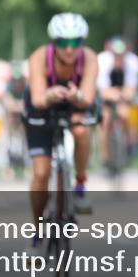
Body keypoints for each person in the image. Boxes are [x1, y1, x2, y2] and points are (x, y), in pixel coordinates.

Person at [24, 13, 99, 247]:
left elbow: (87, 97)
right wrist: (50, 94)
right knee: (41, 173)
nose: (69, 49)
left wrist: (75, 95)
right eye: (63, 43)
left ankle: (80, 184)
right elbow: (37, 98)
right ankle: (36, 234)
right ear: (53, 43)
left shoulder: (89, 58)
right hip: (43, 107)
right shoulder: (39, 58)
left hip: (75, 103)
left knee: (81, 131)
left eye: (75, 42)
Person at [97, 36, 138, 166]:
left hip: (123, 95)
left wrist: (123, 95)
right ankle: (105, 158)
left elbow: (131, 88)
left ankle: (129, 146)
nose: (118, 58)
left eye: (121, 55)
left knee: (126, 114)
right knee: (104, 120)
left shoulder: (132, 62)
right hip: (107, 96)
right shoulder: (103, 61)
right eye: (115, 55)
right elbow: (103, 90)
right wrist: (113, 94)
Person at [2, 61, 29, 176]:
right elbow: (7, 102)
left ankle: (28, 163)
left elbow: (28, 103)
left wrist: (18, 106)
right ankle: (8, 164)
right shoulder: (9, 86)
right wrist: (17, 106)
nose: (17, 82)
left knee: (27, 132)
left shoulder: (26, 85)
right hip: (12, 114)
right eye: (15, 79)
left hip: (23, 114)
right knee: (8, 133)